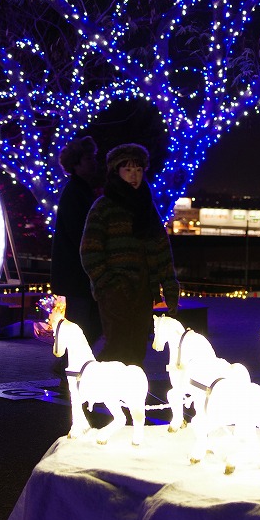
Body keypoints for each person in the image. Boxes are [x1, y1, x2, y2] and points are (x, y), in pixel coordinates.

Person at [80, 143, 180, 368]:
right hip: (115, 291)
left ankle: (127, 394)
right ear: (116, 172)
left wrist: (170, 286)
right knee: (117, 345)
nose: (134, 176)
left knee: (136, 347)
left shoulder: (147, 206)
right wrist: (108, 283)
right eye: (127, 170)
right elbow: (89, 250)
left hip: (144, 289)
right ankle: (92, 385)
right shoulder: (104, 207)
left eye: (138, 170)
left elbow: (161, 247)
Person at [50, 136, 104, 347]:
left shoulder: (79, 190)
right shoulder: (75, 192)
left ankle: (68, 369)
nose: (94, 162)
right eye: (89, 158)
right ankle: (67, 369)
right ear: (76, 163)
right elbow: (80, 233)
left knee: (87, 326)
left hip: (79, 275)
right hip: (79, 274)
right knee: (83, 327)